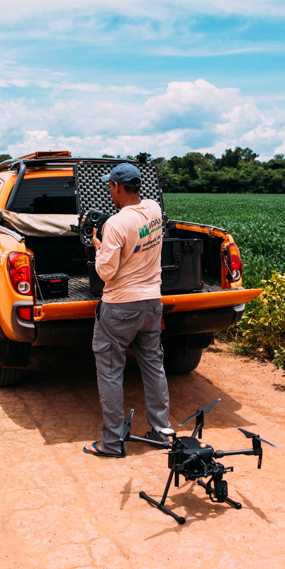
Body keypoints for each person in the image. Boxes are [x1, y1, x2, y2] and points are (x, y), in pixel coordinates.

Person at [83, 162, 172, 457]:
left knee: (110, 372)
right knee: (153, 366)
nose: (109, 189)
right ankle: (162, 432)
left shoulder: (116, 224)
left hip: (121, 306)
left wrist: (99, 246)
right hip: (151, 303)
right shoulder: (154, 210)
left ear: (118, 188)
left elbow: (106, 272)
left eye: (110, 185)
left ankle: (112, 443)